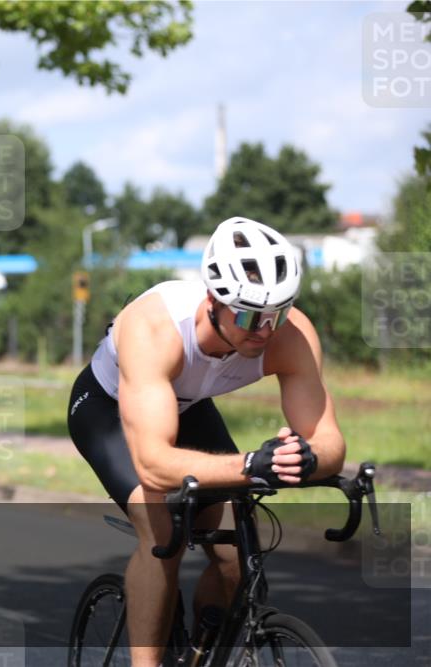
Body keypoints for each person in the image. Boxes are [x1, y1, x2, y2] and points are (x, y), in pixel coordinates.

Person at [67, 217, 346, 667]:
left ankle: (199, 653)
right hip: (107, 410)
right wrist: (251, 464)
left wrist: (305, 457)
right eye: (249, 315)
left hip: (187, 407)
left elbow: (328, 440)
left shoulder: (290, 335)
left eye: (277, 314)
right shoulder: (155, 327)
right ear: (213, 300)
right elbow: (154, 463)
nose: (264, 330)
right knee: (163, 535)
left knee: (237, 553)